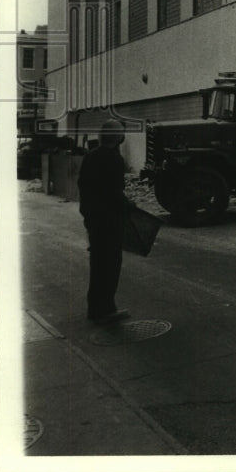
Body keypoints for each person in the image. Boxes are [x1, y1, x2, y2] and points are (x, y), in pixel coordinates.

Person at [77, 118, 132, 324]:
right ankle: (106, 310)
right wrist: (128, 206)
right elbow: (115, 192)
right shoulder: (115, 160)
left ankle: (95, 308)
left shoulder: (90, 156)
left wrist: (88, 214)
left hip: (93, 219)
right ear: (119, 138)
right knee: (110, 264)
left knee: (98, 263)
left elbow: (83, 185)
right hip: (109, 220)